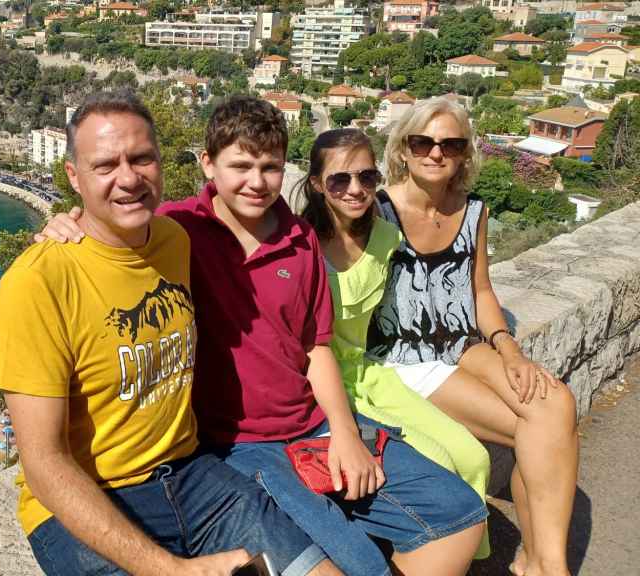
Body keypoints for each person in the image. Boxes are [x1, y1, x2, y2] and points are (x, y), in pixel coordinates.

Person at [37, 96, 487, 576]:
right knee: (360, 563)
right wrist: (65, 224)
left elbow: (315, 346)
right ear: (208, 164)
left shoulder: (300, 239)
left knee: (458, 513)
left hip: (312, 422)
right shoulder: (179, 230)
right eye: (241, 166)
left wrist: (345, 431)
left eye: (270, 167)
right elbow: (113, 234)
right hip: (236, 443)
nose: (256, 182)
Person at [0, 90, 339, 576]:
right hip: (92, 496)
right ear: (73, 177)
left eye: (142, 159)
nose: (129, 178)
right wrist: (171, 570)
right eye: (105, 165)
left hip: (191, 475)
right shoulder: (37, 282)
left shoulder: (175, 239)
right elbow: (44, 465)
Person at [369, 96, 579, 576]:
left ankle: (544, 561)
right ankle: (544, 565)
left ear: (465, 153)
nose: (435, 153)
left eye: (451, 144)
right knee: (540, 429)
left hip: (463, 345)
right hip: (403, 355)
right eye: (423, 142)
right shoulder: (377, 211)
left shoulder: (473, 211)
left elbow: (480, 290)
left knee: (556, 403)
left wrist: (510, 349)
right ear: (402, 148)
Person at [298, 128, 491, 558]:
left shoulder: (386, 239)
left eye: (367, 177)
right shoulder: (300, 245)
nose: (355, 189)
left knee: (474, 457)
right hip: (321, 382)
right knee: (439, 458)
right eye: (339, 179)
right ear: (316, 184)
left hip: (370, 373)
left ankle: (462, 559)